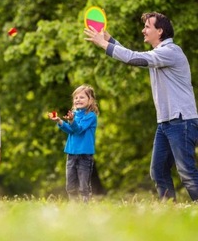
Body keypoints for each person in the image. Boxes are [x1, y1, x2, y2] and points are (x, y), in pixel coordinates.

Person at [84, 11, 198, 201]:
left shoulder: (170, 52)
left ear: (160, 31)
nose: (143, 30)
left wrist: (103, 44)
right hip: (166, 123)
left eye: (147, 27)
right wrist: (109, 38)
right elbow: (133, 56)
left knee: (186, 172)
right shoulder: (158, 53)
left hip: (181, 121)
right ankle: (169, 211)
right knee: (158, 171)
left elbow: (134, 58)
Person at [49, 84, 99, 202]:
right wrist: (60, 121)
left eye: (81, 97)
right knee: (70, 184)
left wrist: (71, 121)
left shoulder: (91, 116)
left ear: (90, 100)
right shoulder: (74, 114)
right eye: (76, 98)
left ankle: (84, 206)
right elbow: (71, 130)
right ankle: (74, 206)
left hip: (84, 155)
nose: (78, 100)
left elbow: (79, 129)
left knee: (83, 185)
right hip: (71, 153)